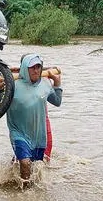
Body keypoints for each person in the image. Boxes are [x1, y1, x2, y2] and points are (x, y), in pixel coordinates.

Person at [6, 53, 62, 186]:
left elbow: (57, 102)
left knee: (36, 168)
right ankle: (24, 197)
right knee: (25, 163)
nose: (36, 70)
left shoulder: (45, 84)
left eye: (38, 67)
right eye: (32, 67)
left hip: (38, 135)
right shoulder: (12, 85)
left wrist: (57, 83)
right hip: (18, 132)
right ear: (25, 68)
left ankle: (32, 194)